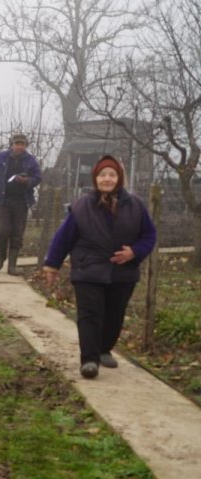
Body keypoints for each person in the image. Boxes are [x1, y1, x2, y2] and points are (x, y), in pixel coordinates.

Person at [42, 155, 157, 379]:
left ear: (119, 178)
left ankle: (104, 349)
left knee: (114, 315)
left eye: (112, 175)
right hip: (88, 268)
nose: (107, 179)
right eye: (102, 175)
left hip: (122, 271)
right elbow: (64, 237)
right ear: (95, 179)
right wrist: (52, 265)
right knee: (89, 314)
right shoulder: (82, 206)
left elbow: (149, 235)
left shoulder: (135, 206)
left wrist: (135, 252)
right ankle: (90, 360)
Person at [0, 132, 42, 275]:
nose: (20, 146)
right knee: (1, 230)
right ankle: (1, 255)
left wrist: (27, 181)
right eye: (17, 144)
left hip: (21, 202)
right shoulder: (1, 158)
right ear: (12, 144)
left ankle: (12, 266)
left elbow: (37, 178)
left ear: (25, 146)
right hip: (2, 200)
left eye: (22, 144)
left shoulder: (30, 160)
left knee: (17, 234)